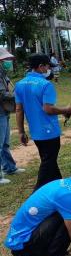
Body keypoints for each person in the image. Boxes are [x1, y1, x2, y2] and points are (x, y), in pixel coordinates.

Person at [15, 54, 71, 190]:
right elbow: (48, 109)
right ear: (41, 66)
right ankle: (37, 192)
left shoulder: (19, 84)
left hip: (35, 131)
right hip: (49, 131)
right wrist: (67, 109)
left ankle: (59, 186)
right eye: (48, 66)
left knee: (49, 160)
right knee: (48, 162)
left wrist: (21, 132)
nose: (49, 69)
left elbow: (19, 110)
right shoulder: (46, 84)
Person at [0, 50, 25, 185]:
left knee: (5, 143)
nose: (7, 62)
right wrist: (18, 95)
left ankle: (9, 168)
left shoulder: (3, 74)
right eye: (4, 60)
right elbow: (3, 95)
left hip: (4, 111)